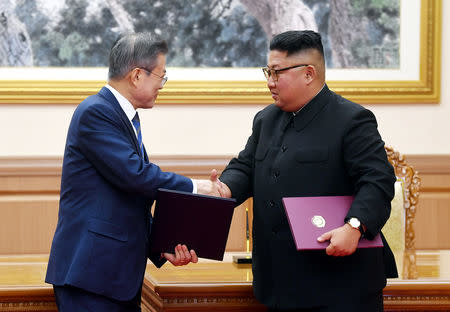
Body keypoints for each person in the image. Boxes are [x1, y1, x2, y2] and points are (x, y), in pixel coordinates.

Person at [218, 30, 398, 311]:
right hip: (278, 282)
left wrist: (355, 227)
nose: (269, 82)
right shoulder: (265, 120)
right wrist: (224, 188)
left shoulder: (352, 120)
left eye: (277, 73)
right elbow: (246, 166)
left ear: (309, 74)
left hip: (339, 285)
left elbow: (378, 181)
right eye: (267, 72)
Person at [45, 32, 222, 311]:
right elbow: (136, 176)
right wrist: (197, 187)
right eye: (161, 77)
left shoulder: (122, 118)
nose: (162, 85)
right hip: (91, 277)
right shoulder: (96, 112)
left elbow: (128, 200)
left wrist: (163, 246)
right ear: (137, 75)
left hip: (115, 278)